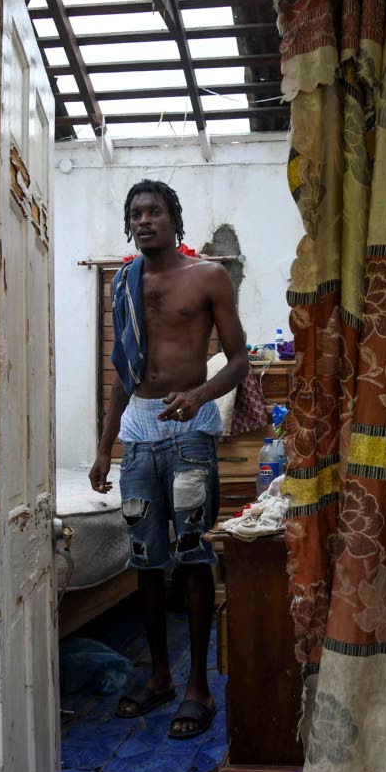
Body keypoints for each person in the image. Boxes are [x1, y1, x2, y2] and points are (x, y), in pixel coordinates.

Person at [89, 180, 249, 739]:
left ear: (174, 219)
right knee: (145, 559)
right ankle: (159, 676)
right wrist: (104, 448)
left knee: (193, 556)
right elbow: (121, 374)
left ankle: (198, 685)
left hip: (190, 433)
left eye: (154, 210)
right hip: (137, 433)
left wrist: (199, 396)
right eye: (136, 213)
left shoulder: (207, 276)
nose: (144, 219)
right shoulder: (124, 282)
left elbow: (238, 361)